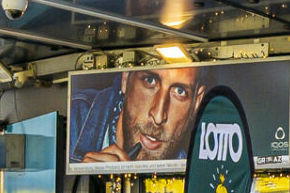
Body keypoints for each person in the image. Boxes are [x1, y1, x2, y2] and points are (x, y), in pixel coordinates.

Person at [74, 65, 207, 166]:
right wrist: (86, 182)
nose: (158, 116)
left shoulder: (193, 181)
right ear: (125, 79)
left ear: (197, 102)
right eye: (150, 81)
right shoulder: (72, 118)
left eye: (180, 91)